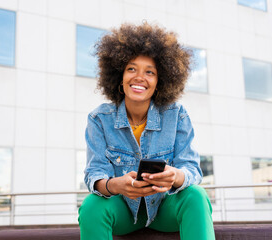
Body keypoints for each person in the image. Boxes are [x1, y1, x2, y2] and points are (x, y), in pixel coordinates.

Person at [78, 22, 215, 240]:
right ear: (119, 78)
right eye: (131, 69)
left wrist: (175, 176)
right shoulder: (99, 119)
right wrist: (116, 185)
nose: (139, 77)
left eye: (149, 72)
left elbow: (192, 169)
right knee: (92, 205)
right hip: (122, 211)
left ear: (160, 82)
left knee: (196, 196)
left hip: (165, 208)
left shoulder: (177, 115)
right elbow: (95, 173)